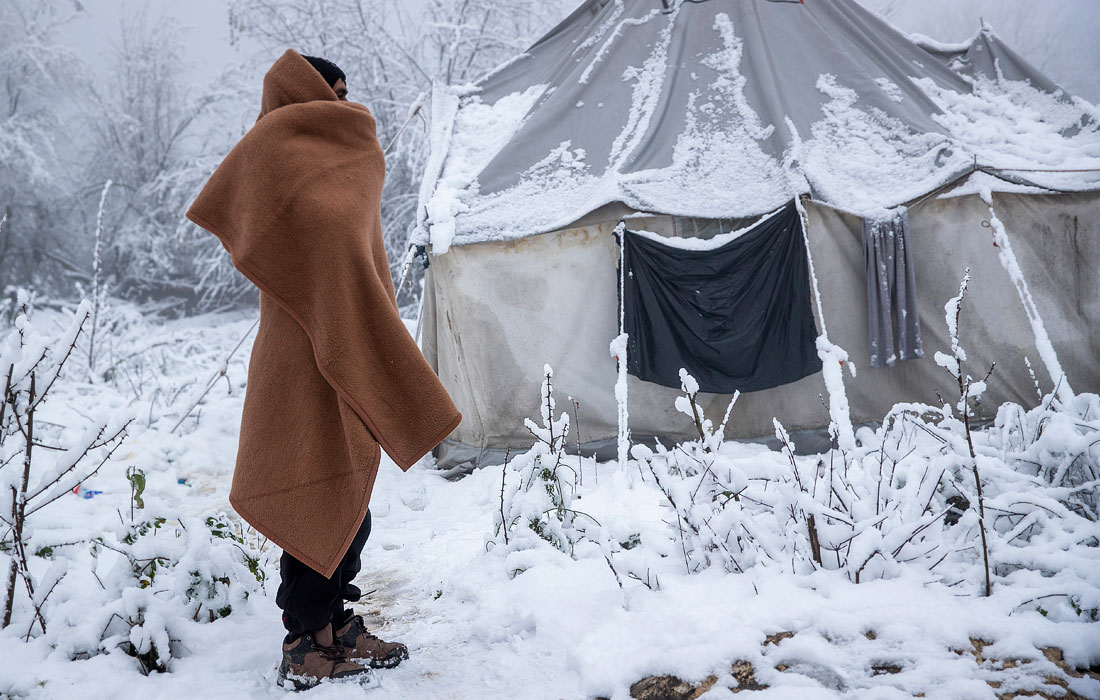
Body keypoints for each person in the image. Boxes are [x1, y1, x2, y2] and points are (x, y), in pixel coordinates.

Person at [186, 50, 462, 690]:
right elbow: (270, 240)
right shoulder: (270, 155)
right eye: (327, 90)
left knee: (353, 493)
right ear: (296, 91)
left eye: (344, 90)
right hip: (294, 349)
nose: (340, 102)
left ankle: (338, 627)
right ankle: (303, 640)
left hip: (349, 336)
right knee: (310, 480)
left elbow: (356, 258)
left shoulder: (355, 152)